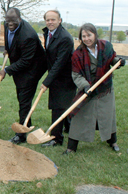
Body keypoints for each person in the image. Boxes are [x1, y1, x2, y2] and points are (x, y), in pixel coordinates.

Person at [63, 23, 125, 154]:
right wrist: (85, 86)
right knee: (79, 115)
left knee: (108, 116)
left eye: (89, 35)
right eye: (83, 36)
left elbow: (112, 59)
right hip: (87, 88)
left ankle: (112, 141)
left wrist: (118, 61)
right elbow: (76, 74)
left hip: (105, 89)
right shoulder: (77, 54)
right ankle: (71, 147)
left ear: (95, 34)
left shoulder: (106, 46)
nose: (86, 38)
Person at [0, 8, 47, 144]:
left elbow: (26, 61)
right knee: (21, 94)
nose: (10, 24)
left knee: (24, 98)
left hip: (34, 67)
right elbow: (11, 40)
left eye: (13, 21)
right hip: (23, 64)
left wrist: (6, 70)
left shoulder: (28, 35)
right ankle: (26, 123)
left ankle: (21, 134)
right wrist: (9, 49)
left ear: (20, 18)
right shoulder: (6, 23)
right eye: (8, 20)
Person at [40, 10, 76, 147]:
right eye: (48, 20)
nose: (50, 22)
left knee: (58, 106)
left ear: (59, 20)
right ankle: (69, 127)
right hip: (56, 75)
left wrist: (46, 82)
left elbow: (59, 63)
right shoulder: (48, 33)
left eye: (53, 20)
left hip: (65, 77)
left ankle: (56, 139)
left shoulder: (65, 38)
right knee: (62, 106)